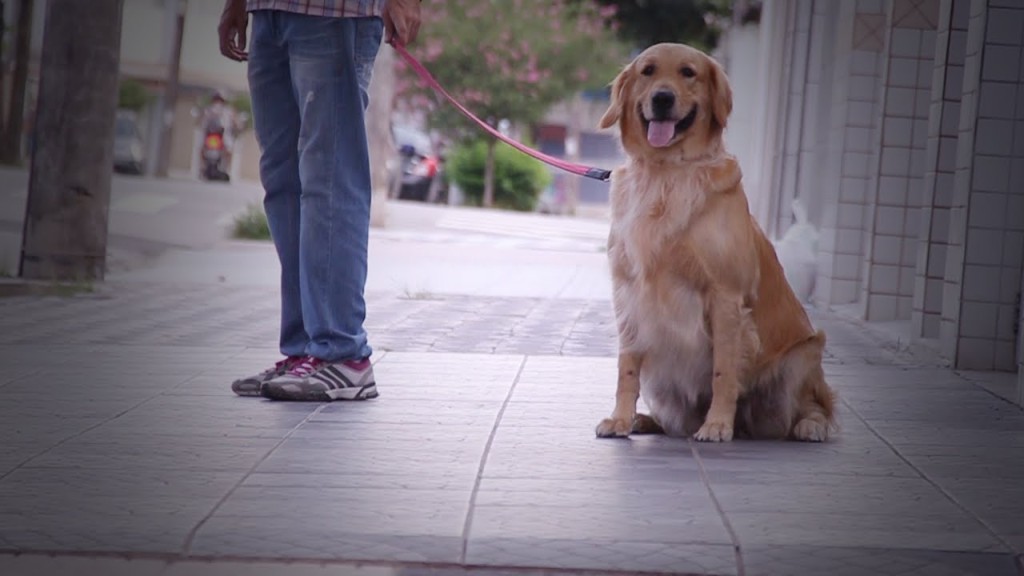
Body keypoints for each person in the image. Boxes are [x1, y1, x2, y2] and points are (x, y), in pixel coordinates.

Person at [217, 0, 421, 401]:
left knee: (330, 179)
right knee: (283, 181)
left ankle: (343, 354)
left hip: (335, 13)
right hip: (268, 14)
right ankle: (305, 350)